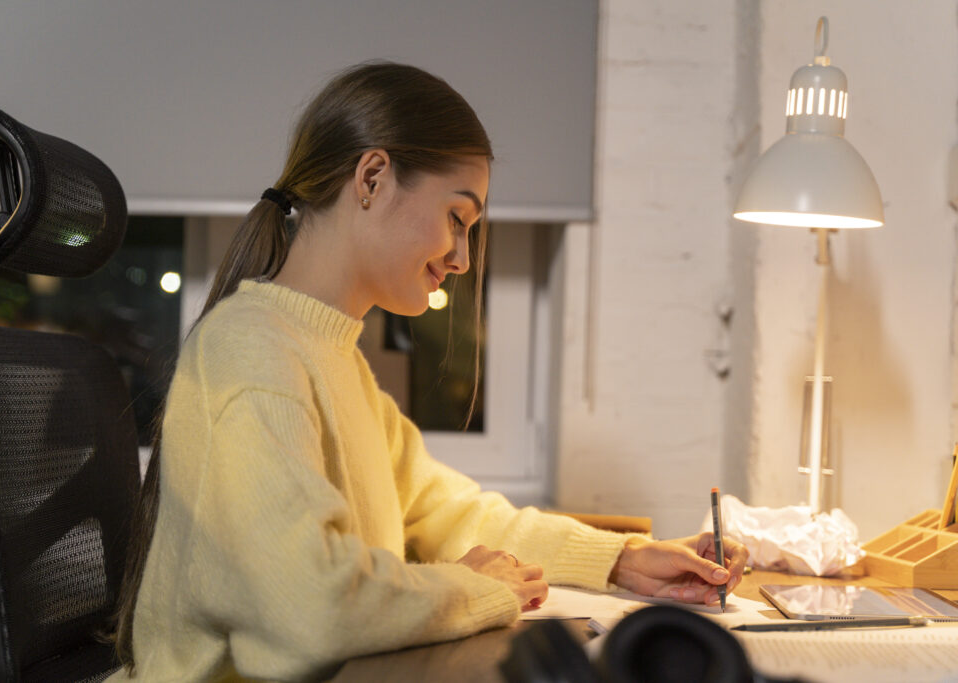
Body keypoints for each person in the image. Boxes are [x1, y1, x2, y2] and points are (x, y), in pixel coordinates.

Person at [109, 61, 748, 682]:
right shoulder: (250, 353)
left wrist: (621, 561)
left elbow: (455, 515)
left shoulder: (338, 365)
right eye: (457, 219)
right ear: (373, 178)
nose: (464, 258)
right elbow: (310, 606)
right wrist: (473, 587)